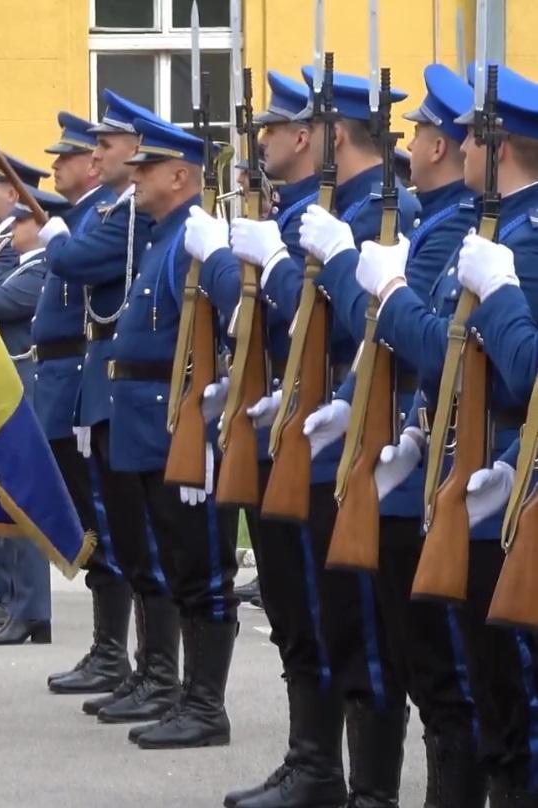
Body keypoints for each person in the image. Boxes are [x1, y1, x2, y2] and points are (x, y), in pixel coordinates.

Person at [231, 64, 427, 801]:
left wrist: (280, 264)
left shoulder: (383, 214)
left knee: (357, 632)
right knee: (303, 614)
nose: (268, 140)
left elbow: (353, 323)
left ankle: (369, 789)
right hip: (306, 428)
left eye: (288, 127)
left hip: (356, 435)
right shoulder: (321, 210)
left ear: (330, 135)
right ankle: (314, 764)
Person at [344, 63, 538, 806]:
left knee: (511, 707)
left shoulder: (523, 240)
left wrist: (497, 292)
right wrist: (421, 433)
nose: (458, 148)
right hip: (470, 469)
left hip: (506, 479)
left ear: (499, 145)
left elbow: (523, 370)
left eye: (470, 138)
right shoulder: (499, 228)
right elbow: (458, 364)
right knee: (485, 695)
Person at [55, 114, 244, 749]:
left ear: (181, 177)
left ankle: (203, 704)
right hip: (146, 423)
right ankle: (176, 689)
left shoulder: (193, 238)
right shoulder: (163, 237)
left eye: (147, 168)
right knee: (161, 559)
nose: (134, 178)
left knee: (199, 568)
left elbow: (236, 322)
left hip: (178, 425)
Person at [41, 92, 174, 726]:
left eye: (105, 145)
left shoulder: (128, 218)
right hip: (101, 387)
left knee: (137, 540)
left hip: (124, 394)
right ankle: (134, 663)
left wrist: (55, 237)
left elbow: (74, 261)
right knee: (118, 533)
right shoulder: (115, 212)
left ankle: (150, 669)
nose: (96, 156)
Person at [34, 112, 132, 688]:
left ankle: (114, 652)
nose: (62, 166)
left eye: (67, 157)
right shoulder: (87, 217)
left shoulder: (102, 218)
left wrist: (60, 240)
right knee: (90, 522)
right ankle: (108, 647)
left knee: (101, 523)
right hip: (66, 382)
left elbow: (76, 273)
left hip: (80, 379)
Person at [0, 184, 72, 646]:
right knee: (5, 493)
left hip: (26, 389)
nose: (11, 227)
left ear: (40, 224)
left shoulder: (43, 268)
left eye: (21, 219)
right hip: (9, 387)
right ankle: (16, 602)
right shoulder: (14, 265)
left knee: (24, 498)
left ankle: (32, 609)